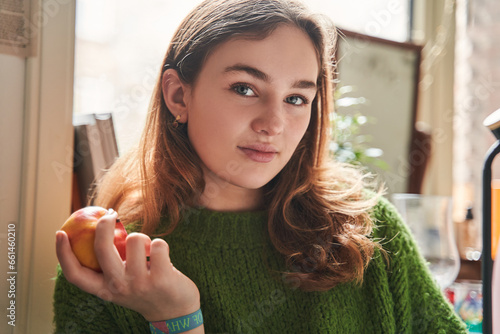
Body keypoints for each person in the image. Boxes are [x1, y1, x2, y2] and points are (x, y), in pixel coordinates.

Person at [53, 0, 467, 333]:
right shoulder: (109, 260)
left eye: (296, 98)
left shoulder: (370, 231)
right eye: (245, 88)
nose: (273, 124)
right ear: (179, 96)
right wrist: (175, 319)